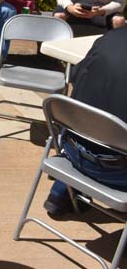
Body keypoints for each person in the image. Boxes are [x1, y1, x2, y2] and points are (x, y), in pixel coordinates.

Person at [43, 26, 127, 215]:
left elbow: (76, 78)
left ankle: (60, 194)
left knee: (92, 109)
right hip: (118, 172)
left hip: (71, 150)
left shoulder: (109, 38)